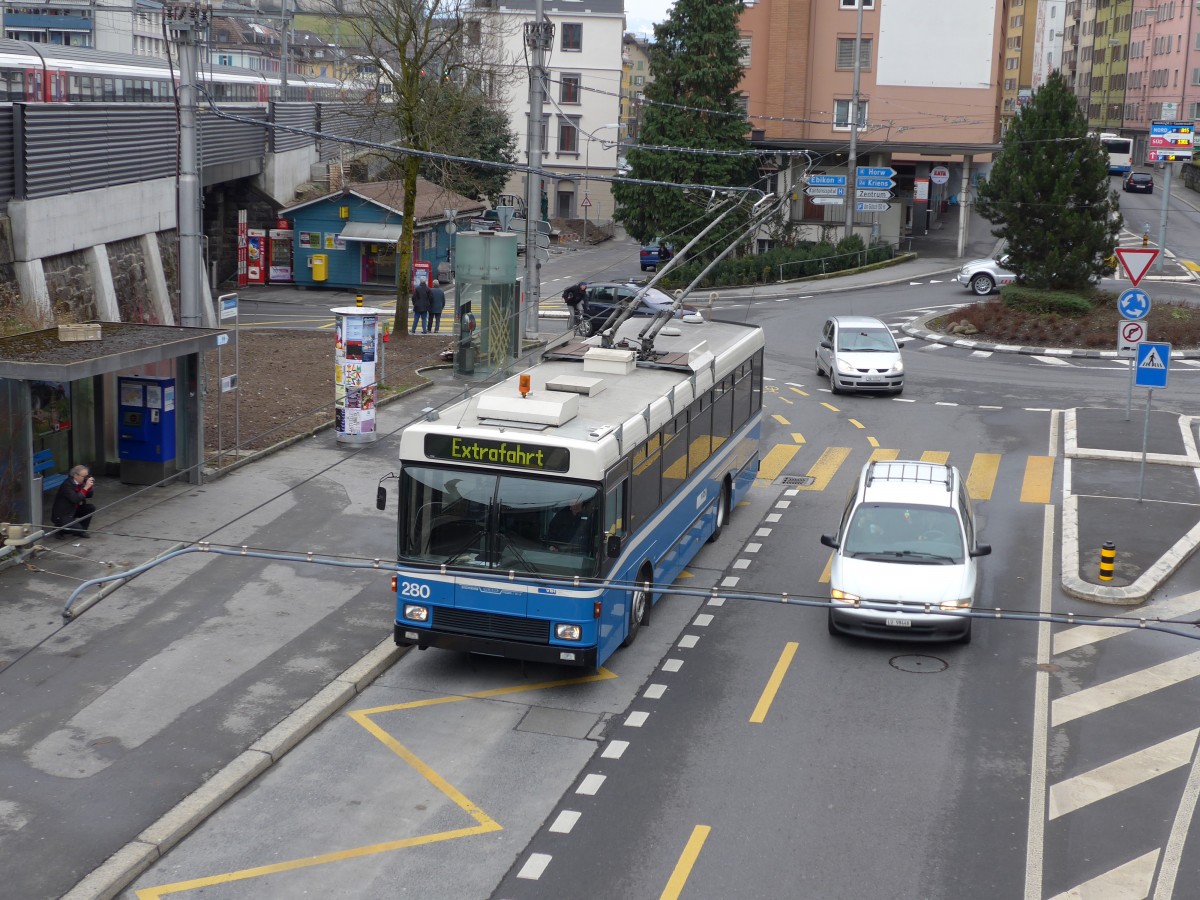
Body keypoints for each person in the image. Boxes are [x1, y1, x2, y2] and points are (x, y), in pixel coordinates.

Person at [51, 464, 95, 539]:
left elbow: (89, 496)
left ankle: (82, 531)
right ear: (75, 475)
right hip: (62, 514)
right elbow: (75, 499)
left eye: (87, 476)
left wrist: (90, 487)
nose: (86, 478)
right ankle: (59, 529)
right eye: (84, 477)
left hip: (73, 510)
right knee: (77, 529)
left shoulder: (81, 483)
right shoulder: (67, 485)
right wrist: (86, 487)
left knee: (90, 508)